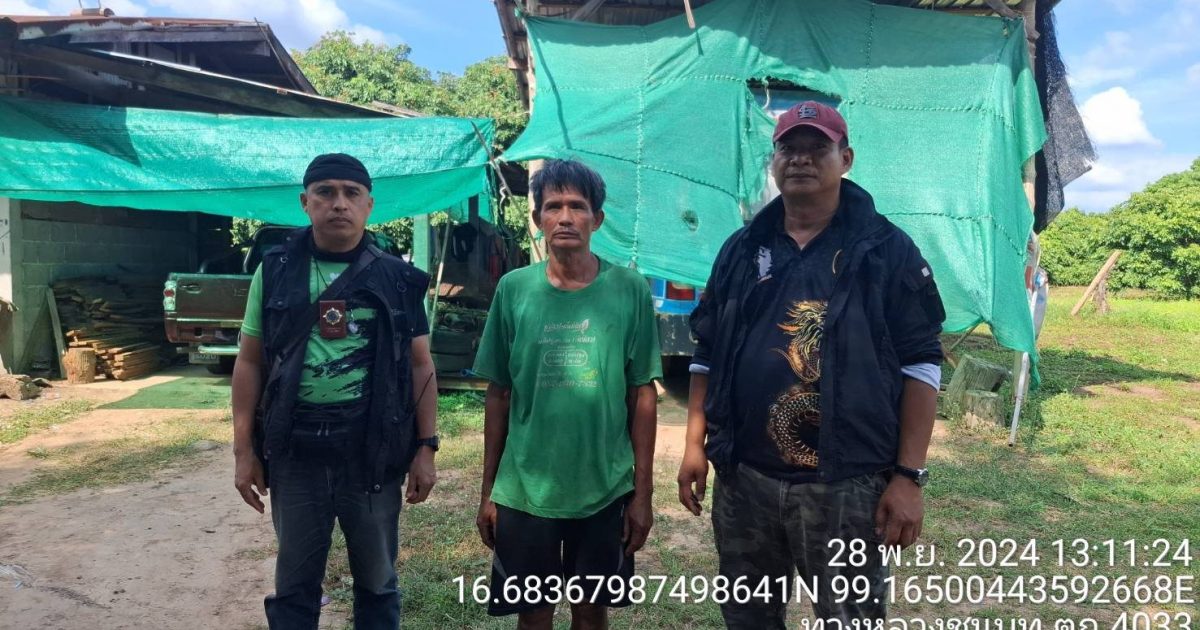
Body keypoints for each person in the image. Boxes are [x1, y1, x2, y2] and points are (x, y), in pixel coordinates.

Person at [676, 102, 945, 626]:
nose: (800, 159)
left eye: (817, 148)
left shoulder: (885, 250)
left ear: (846, 158)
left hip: (847, 485)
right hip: (746, 478)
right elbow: (707, 353)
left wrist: (908, 476)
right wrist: (693, 446)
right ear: (773, 161)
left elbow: (921, 363)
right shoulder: (742, 249)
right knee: (749, 618)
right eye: (788, 148)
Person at [231, 153, 440, 630]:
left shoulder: (398, 278)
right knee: (294, 585)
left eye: (351, 193)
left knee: (378, 583)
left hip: (372, 453)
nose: (338, 203)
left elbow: (420, 364)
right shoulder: (275, 270)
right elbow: (249, 361)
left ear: (369, 205)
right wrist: (244, 451)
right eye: (325, 192)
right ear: (305, 203)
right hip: (296, 451)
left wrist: (426, 447)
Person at [472, 159, 661, 630]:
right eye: (553, 206)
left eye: (577, 206)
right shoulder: (514, 290)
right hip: (525, 490)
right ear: (538, 218)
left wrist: (642, 495)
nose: (565, 217)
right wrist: (489, 492)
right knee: (532, 615)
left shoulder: (629, 289)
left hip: (605, 488)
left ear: (597, 219)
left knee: (591, 612)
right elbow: (499, 394)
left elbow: (642, 394)